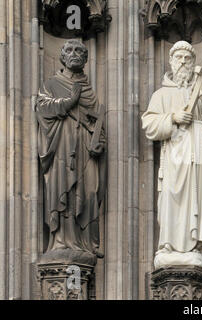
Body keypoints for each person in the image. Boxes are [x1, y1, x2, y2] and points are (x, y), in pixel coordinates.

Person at [142, 41, 202, 269]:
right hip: (174, 153)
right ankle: (168, 245)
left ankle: (195, 246)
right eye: (178, 57)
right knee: (170, 197)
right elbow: (148, 125)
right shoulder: (161, 94)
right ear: (171, 61)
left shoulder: (200, 89)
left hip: (198, 149)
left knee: (196, 198)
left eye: (187, 58)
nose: (183, 62)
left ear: (194, 63)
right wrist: (173, 118)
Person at [36, 39, 106, 264]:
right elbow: (43, 108)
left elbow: (98, 122)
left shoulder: (89, 91)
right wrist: (69, 101)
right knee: (63, 190)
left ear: (85, 59)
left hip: (85, 151)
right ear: (62, 57)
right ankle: (61, 241)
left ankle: (84, 243)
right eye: (69, 50)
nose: (74, 54)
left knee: (90, 192)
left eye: (79, 51)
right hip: (62, 148)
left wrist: (100, 142)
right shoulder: (51, 84)